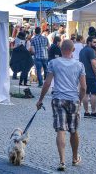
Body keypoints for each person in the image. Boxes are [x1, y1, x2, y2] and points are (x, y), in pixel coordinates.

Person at [36, 39, 85, 172]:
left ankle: (62, 161)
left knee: (61, 130)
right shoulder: (80, 65)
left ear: (61, 49)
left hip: (58, 99)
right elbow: (83, 88)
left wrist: (40, 99)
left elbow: (47, 83)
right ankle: (75, 158)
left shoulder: (53, 63)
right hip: (73, 99)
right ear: (73, 50)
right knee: (74, 130)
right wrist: (80, 100)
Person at [79, 36, 96, 119]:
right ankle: (93, 111)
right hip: (91, 75)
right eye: (94, 42)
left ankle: (86, 112)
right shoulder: (91, 51)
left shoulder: (82, 50)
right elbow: (93, 63)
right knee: (93, 93)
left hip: (83, 75)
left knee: (85, 93)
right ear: (89, 42)